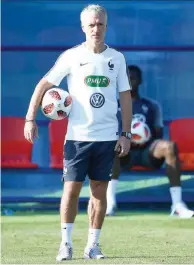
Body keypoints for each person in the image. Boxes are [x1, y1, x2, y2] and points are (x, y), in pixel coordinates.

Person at [24, 4, 132, 261]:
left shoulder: (116, 58)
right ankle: (66, 244)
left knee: (99, 192)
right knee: (71, 190)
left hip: (106, 138)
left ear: (106, 26)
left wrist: (125, 133)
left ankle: (92, 246)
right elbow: (44, 84)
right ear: (83, 27)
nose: (96, 29)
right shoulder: (71, 56)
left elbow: (125, 96)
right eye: (91, 25)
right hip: (77, 138)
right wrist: (30, 118)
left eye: (100, 24)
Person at [106, 65, 194, 218]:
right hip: (123, 154)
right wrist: (126, 138)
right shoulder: (113, 106)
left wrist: (142, 138)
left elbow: (158, 134)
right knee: (110, 146)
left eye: (133, 78)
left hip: (148, 152)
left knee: (169, 146)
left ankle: (177, 205)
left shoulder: (152, 106)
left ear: (140, 81)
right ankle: (110, 203)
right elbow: (107, 133)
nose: (129, 81)